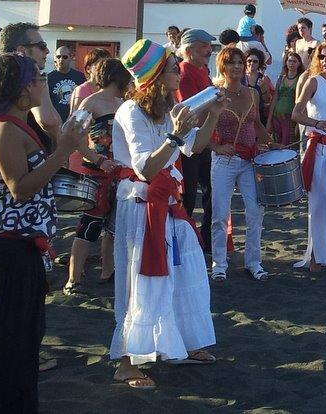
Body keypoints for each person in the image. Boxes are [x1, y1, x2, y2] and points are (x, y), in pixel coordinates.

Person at [0, 54, 88, 412]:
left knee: (23, 335)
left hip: (22, 244)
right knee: (8, 336)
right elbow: (20, 188)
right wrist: (64, 151)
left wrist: (60, 142)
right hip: (9, 246)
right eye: (37, 79)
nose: (43, 83)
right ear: (23, 90)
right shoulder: (4, 129)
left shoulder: (17, 124)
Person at [111, 38, 222, 389]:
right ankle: (128, 361)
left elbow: (193, 148)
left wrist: (212, 116)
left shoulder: (169, 106)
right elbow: (145, 167)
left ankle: (185, 343)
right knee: (140, 282)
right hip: (142, 204)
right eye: (173, 67)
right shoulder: (131, 111)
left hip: (169, 202)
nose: (179, 71)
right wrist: (174, 135)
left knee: (187, 271)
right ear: (157, 74)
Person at [63, 58, 131, 295]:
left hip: (118, 171)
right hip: (96, 171)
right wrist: (98, 159)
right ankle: (74, 278)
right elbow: (72, 135)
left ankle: (107, 271)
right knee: (89, 226)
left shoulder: (122, 102)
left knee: (113, 227)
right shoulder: (90, 102)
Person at [210, 47, 275, 282]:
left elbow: (256, 124)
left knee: (256, 211)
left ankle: (253, 261)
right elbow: (198, 127)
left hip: (250, 160)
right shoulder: (214, 93)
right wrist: (215, 147)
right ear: (223, 66)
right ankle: (219, 264)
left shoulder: (252, 93)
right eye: (231, 63)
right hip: (224, 160)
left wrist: (272, 143)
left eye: (240, 62)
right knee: (219, 213)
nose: (236, 66)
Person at [291, 42, 326, 272]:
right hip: (320, 148)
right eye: (322, 56)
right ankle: (315, 256)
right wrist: (316, 123)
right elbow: (296, 113)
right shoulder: (313, 81)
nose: (325, 60)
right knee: (321, 202)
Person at [176, 28, 217, 247]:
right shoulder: (185, 71)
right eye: (204, 46)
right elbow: (189, 110)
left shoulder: (202, 70)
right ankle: (186, 241)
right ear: (189, 48)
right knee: (189, 195)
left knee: (211, 192)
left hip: (205, 140)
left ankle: (205, 241)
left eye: (209, 46)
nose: (209, 50)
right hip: (190, 142)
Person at [266, 51, 304, 146]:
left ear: (299, 64)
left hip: (291, 119)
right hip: (277, 116)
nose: (291, 64)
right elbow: (274, 99)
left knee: (289, 146)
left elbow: (301, 101)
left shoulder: (300, 79)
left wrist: (299, 123)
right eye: (289, 61)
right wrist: (269, 121)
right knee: (277, 145)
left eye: (294, 61)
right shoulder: (281, 78)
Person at [48, 46, 87, 122]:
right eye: (58, 57)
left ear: (71, 58)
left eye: (65, 57)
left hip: (75, 120)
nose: (61, 59)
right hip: (56, 121)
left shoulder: (80, 77)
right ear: (55, 58)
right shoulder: (49, 78)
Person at [70, 48, 111, 113]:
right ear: (88, 69)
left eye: (108, 65)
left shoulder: (110, 89)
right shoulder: (82, 90)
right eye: (100, 65)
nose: (104, 68)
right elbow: (76, 119)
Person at [243, 48, 273, 124]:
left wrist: (263, 87)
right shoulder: (241, 78)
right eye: (249, 61)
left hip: (259, 115)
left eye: (255, 61)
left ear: (259, 63)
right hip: (243, 114)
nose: (252, 63)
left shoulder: (264, 78)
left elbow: (267, 100)